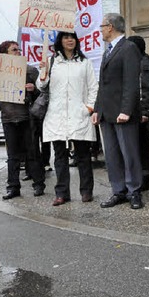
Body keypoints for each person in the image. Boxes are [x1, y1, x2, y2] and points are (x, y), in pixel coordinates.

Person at [37, 32, 98, 206]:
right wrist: (43, 72)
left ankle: (86, 191)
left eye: (72, 37)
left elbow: (93, 87)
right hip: (57, 115)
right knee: (59, 156)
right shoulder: (51, 61)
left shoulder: (84, 62)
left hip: (79, 114)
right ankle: (62, 193)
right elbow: (41, 86)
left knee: (83, 155)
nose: (70, 40)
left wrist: (89, 107)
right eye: (66, 37)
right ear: (60, 41)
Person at [92, 13, 144, 210]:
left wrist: (126, 110)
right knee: (112, 155)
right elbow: (102, 85)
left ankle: (134, 191)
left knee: (129, 153)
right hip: (107, 113)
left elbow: (131, 83)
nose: (100, 30)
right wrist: (98, 108)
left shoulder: (128, 48)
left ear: (111, 27)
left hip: (123, 114)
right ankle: (118, 190)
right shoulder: (108, 51)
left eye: (102, 26)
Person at [0, 40, 45, 200]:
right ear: (4, 54)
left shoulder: (29, 71)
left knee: (32, 153)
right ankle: (13, 187)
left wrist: (34, 89)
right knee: (12, 156)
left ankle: (38, 184)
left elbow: (43, 93)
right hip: (8, 119)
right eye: (14, 50)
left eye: (18, 49)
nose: (18, 52)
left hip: (27, 117)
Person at [127, 35, 149, 191]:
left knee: (141, 146)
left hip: (141, 112)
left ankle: (144, 178)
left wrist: (145, 111)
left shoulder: (143, 64)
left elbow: (144, 89)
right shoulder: (143, 61)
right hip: (136, 110)